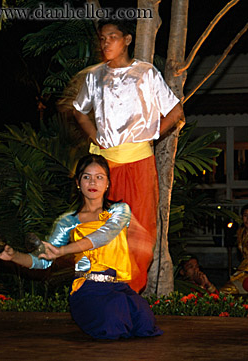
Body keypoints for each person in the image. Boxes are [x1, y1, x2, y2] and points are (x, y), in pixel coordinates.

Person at [0, 155, 162, 340]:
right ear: (78, 182)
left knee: (144, 323)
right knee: (113, 320)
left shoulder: (120, 210)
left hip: (118, 288)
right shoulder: (67, 222)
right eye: (86, 176)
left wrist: (63, 251)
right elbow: (42, 261)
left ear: (108, 183)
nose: (93, 182)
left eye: (99, 177)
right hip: (88, 289)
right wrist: (14, 256)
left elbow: (104, 235)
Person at [72, 20, 184, 292]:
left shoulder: (146, 73)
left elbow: (176, 111)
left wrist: (152, 133)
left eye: (112, 37)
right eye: (102, 38)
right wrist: (93, 133)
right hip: (105, 165)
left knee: (139, 229)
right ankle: (102, 291)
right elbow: (79, 110)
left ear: (127, 39)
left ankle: (130, 292)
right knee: (102, 227)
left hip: (138, 162)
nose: (106, 43)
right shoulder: (95, 76)